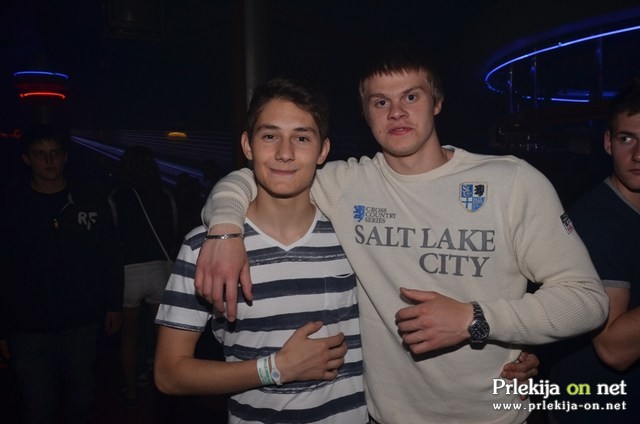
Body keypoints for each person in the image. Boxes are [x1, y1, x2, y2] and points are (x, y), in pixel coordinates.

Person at [194, 44, 609, 423]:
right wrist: (225, 231)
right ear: (366, 113)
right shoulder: (346, 183)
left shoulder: (512, 182)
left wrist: (476, 319)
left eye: (411, 97)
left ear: (437, 103)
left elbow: (587, 301)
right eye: (381, 102)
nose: (396, 112)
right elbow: (253, 176)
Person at [154, 78, 369, 423]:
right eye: (270, 136)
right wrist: (275, 368)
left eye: (301, 138)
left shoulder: (354, 237)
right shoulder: (205, 247)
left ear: (323, 150)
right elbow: (169, 373)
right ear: (248, 145)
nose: (284, 153)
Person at [0, 125, 123, 424]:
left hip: (82, 320)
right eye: (40, 154)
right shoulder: (11, 204)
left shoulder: (89, 197)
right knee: (38, 406)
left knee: (82, 401)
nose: (49, 160)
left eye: (55, 152)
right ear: (27, 159)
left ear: (65, 157)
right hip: (28, 326)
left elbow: (110, 253)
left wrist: (113, 304)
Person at [545, 74, 640, 423]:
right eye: (627, 139)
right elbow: (613, 348)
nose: (638, 154)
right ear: (608, 143)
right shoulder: (598, 221)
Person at [108, 146, 178, 408]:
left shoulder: (117, 196)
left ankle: (131, 391)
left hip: (129, 271)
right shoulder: (164, 195)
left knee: (129, 335)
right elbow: (172, 232)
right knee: (163, 335)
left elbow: (112, 237)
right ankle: (164, 386)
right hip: (159, 268)